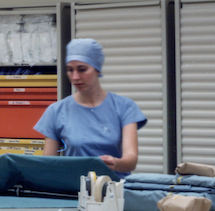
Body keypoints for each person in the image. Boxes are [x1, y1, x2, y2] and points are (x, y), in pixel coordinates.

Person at [33, 38, 147, 177]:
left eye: (82, 69)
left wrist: (115, 163)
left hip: (115, 190)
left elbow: (131, 159)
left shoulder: (124, 107)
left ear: (97, 69)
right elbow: (48, 165)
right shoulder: (56, 111)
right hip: (73, 190)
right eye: (70, 70)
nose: (75, 77)